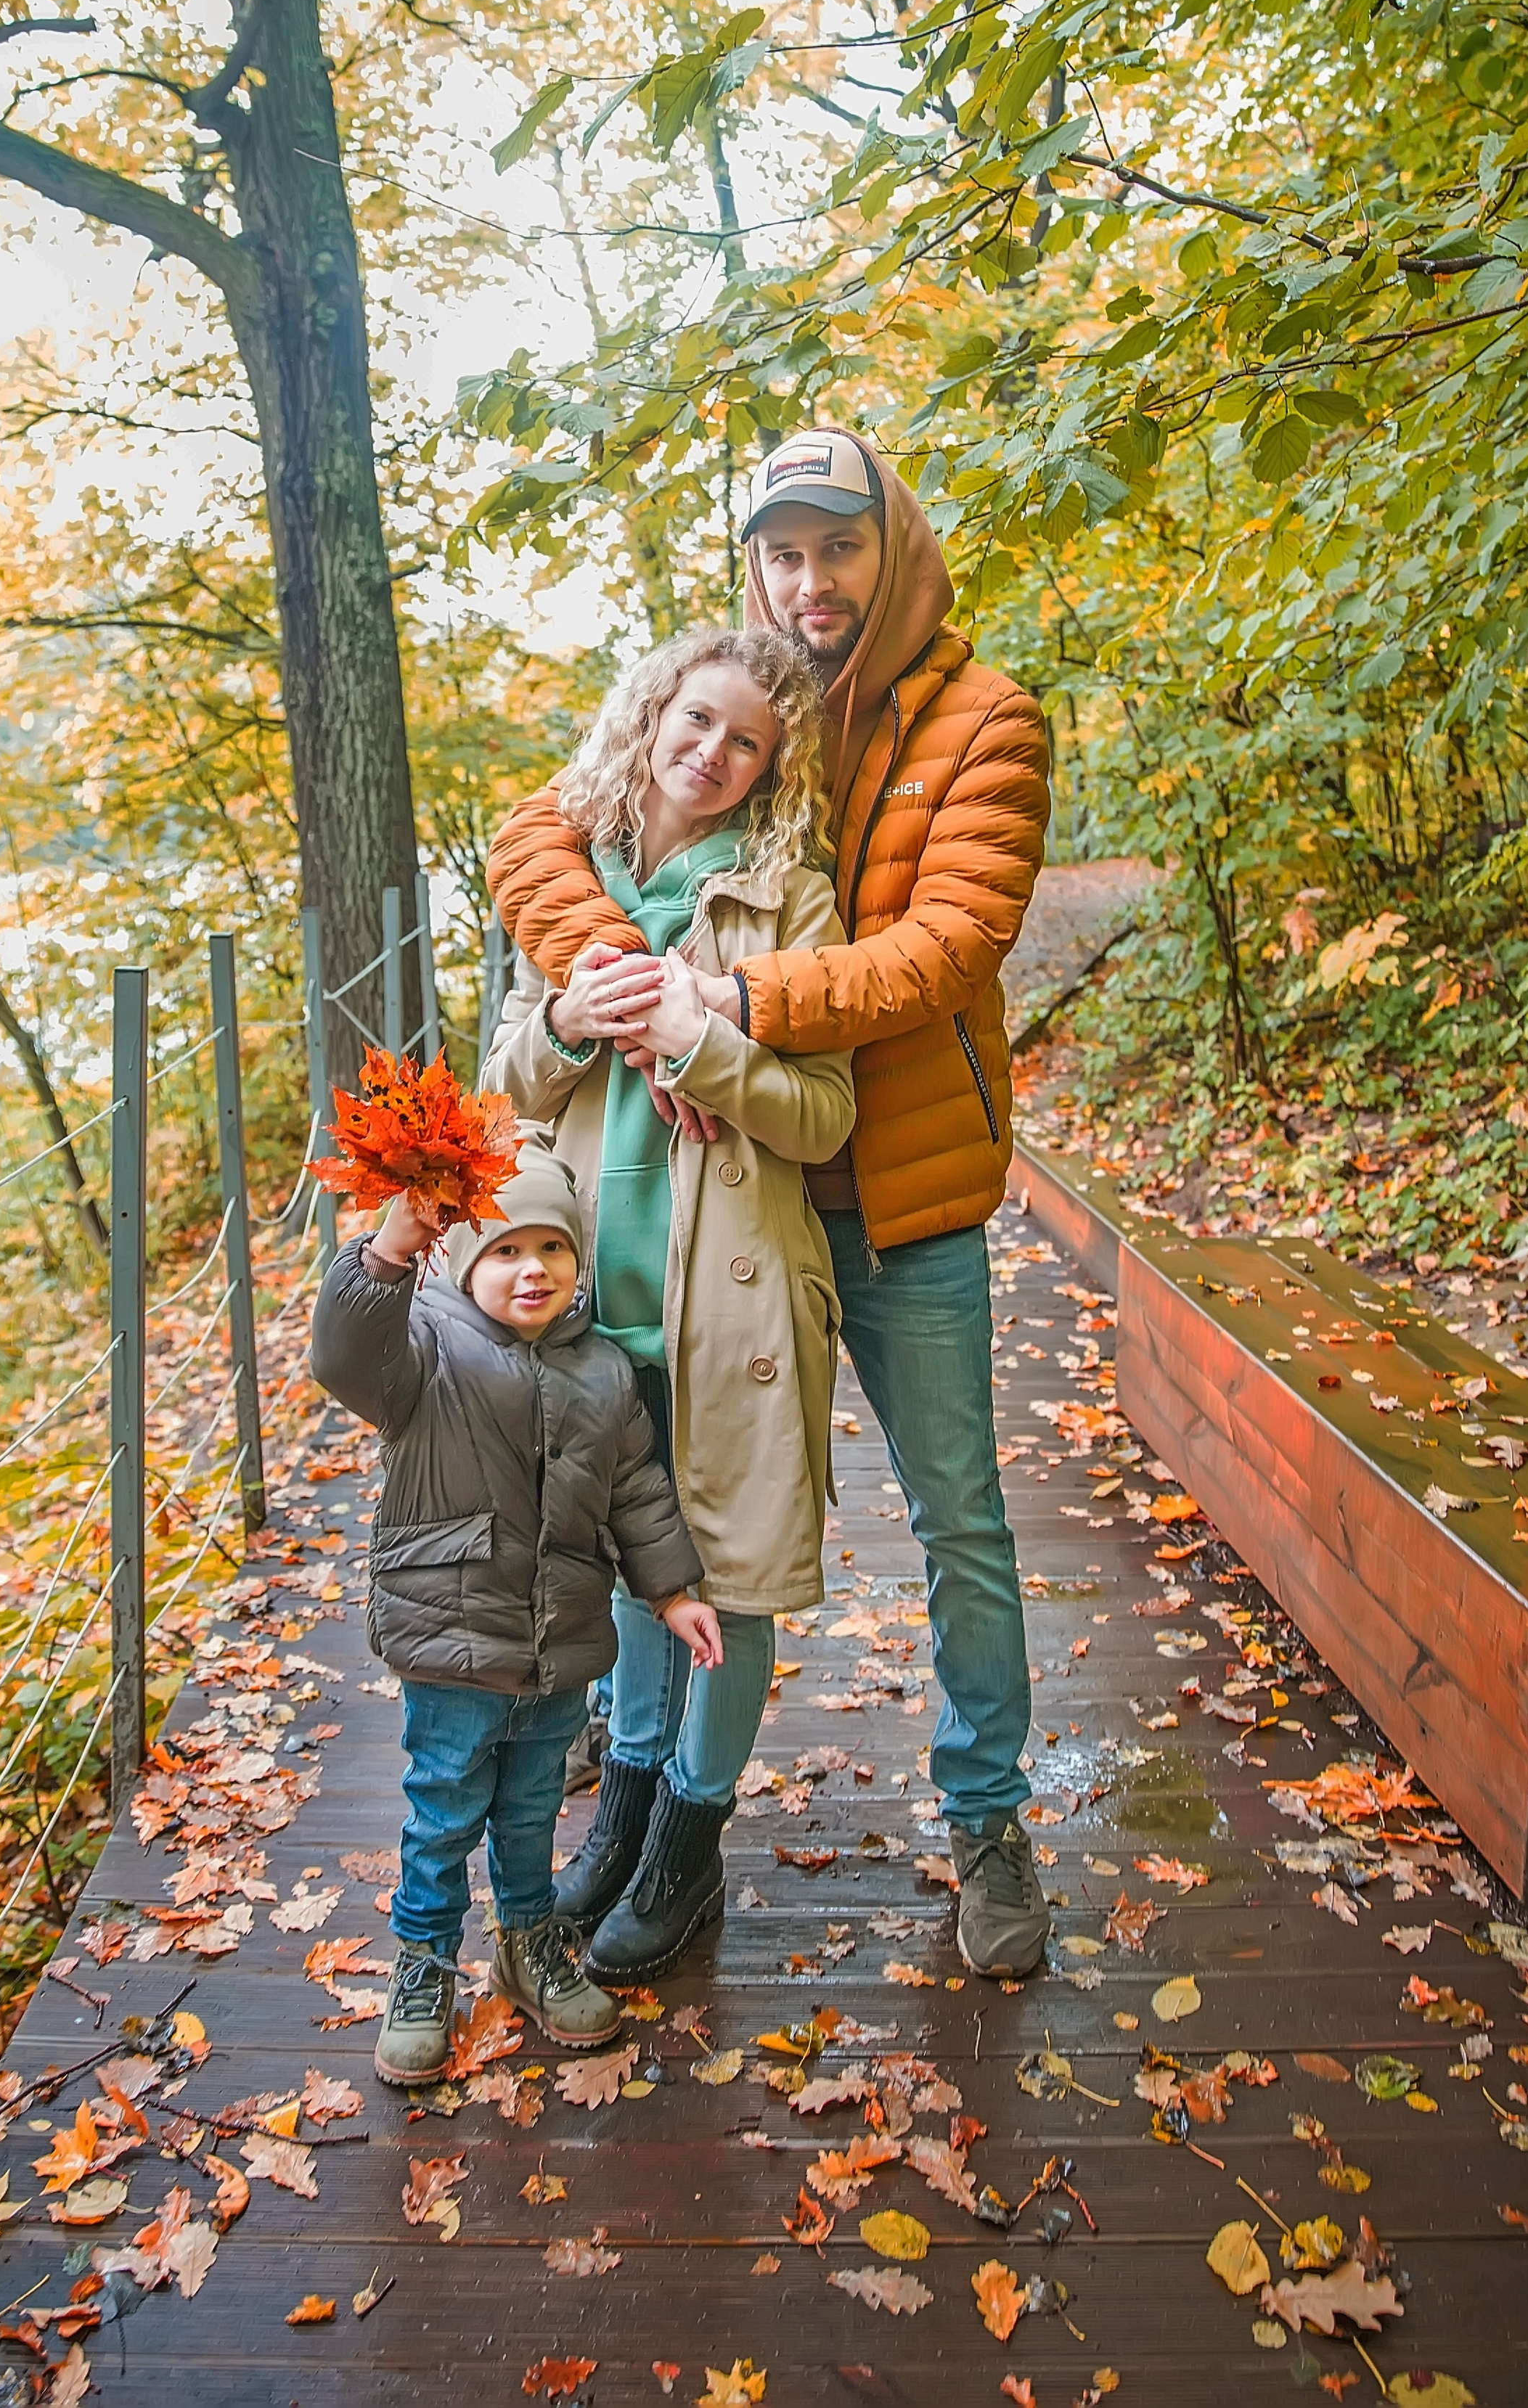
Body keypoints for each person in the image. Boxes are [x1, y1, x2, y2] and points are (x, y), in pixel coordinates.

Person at [486, 430, 1054, 1978]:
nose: (810, 581)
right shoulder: (738, 700)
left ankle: (987, 1820)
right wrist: (615, 981)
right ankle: (651, 1792)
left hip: (902, 1192)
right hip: (734, 1215)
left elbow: (939, 952)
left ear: (894, 550)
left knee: (959, 1521)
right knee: (664, 1509)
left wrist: (711, 1003)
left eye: (838, 549)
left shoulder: (984, 721)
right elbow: (541, 825)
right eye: (783, 553)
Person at [483, 623, 856, 1983]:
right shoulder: (577, 891)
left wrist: (706, 1046)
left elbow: (825, 1116)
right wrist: (573, 1020)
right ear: (652, 716)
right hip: (587, 1295)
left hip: (737, 1304)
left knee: (728, 1583)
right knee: (636, 1576)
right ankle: (628, 1808)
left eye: (746, 741)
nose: (713, 752)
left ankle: (688, 1849)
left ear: (770, 768)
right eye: (696, 721)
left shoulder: (787, 900)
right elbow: (513, 1086)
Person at [309, 1147, 715, 2084]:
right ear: (462, 1261)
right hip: (452, 1642)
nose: (531, 1267)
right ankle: (423, 1963)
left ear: (577, 1261)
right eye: (504, 1250)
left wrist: (673, 1589)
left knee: (532, 1809)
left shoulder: (604, 1371)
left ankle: (528, 1939)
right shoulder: (422, 1350)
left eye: (550, 1248)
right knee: (444, 1807)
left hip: (560, 1644)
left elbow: (637, 1491)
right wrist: (387, 1249)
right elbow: (340, 1354)